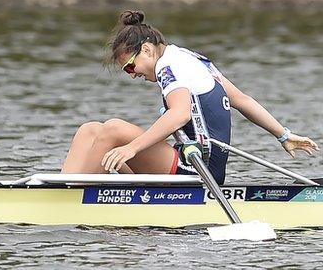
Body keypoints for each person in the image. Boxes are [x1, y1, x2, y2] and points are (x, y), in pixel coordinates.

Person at [61, 10, 318, 184]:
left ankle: (70, 202)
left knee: (114, 129)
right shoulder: (192, 59)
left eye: (130, 66)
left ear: (147, 50)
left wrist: (132, 148)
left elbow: (180, 113)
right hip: (187, 158)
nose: (131, 74)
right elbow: (243, 101)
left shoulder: (169, 66)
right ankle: (61, 192)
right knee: (90, 129)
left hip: (199, 171)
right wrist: (283, 135)